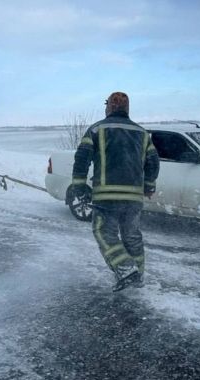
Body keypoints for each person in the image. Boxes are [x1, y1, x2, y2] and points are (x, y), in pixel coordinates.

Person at [71, 92, 160, 292]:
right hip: (133, 198)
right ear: (127, 109)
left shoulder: (96, 130)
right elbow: (153, 161)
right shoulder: (142, 133)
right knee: (132, 236)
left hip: (106, 196)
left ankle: (126, 270)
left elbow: (81, 159)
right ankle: (138, 278)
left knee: (104, 232)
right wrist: (149, 186)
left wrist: (79, 186)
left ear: (109, 108)